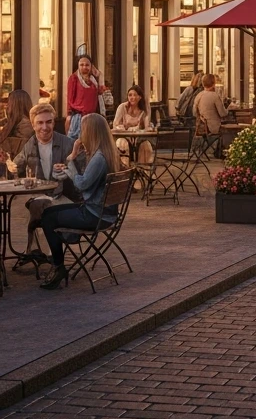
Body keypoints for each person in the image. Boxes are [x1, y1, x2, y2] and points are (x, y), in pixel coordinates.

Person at [39, 111, 121, 290]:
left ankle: (58, 266)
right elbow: (84, 180)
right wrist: (71, 165)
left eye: (83, 130)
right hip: (106, 213)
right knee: (48, 213)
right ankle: (58, 260)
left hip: (94, 215)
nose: (80, 134)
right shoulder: (108, 153)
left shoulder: (99, 158)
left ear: (91, 132)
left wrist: (71, 160)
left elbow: (82, 184)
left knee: (47, 218)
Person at [15, 102, 83, 256]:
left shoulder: (68, 144)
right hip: (43, 196)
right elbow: (16, 166)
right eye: (40, 123)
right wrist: (7, 162)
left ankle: (42, 253)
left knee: (38, 207)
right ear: (33, 125)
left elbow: (83, 175)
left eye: (49, 122)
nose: (44, 127)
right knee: (37, 204)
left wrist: (68, 171)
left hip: (67, 197)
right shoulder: (31, 144)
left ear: (54, 123)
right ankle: (43, 253)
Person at [112, 84, 154, 165]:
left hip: (139, 139)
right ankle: (124, 168)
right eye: (130, 95)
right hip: (124, 137)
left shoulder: (143, 109)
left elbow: (147, 127)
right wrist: (121, 127)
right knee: (122, 143)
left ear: (140, 97)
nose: (132, 97)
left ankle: (143, 169)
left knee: (146, 146)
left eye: (135, 95)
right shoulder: (122, 107)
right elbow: (115, 124)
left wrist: (147, 106)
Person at [66, 55, 103, 138]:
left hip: (92, 117)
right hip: (78, 117)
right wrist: (68, 115)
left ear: (91, 66)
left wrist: (99, 76)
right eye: (81, 65)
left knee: (91, 141)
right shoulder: (74, 78)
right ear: (78, 66)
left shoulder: (93, 80)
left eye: (87, 65)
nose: (84, 67)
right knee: (76, 141)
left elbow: (99, 93)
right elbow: (70, 99)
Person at [0, 89, 34, 159]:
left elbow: (22, 150)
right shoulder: (14, 121)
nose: (7, 106)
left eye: (9, 103)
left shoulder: (26, 125)